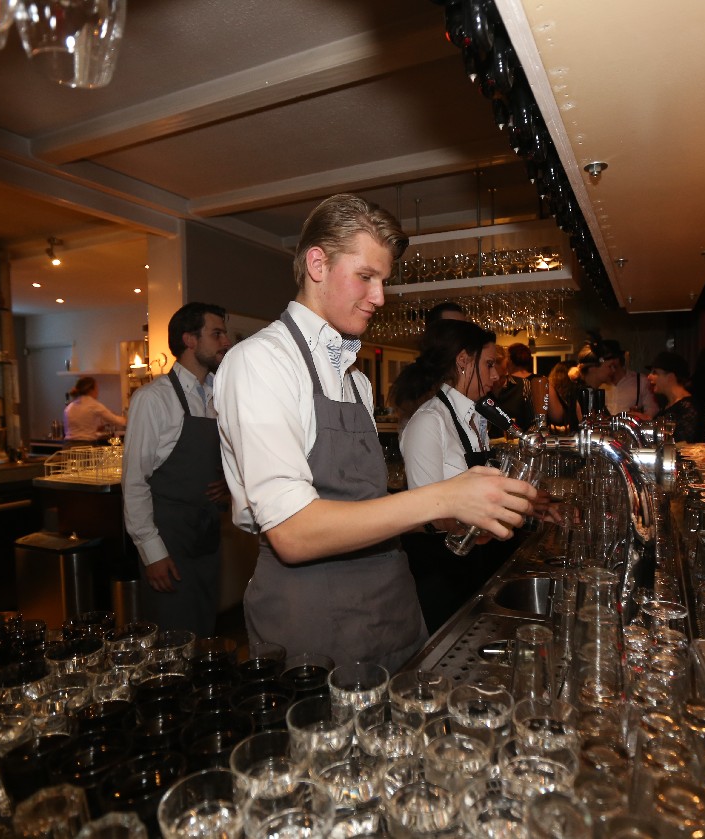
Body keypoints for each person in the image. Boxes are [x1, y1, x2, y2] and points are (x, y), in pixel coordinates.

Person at [214, 194, 536, 672]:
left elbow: (362, 504)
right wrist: (444, 497)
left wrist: (445, 519)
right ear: (317, 264)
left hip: (392, 609)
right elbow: (292, 532)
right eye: (366, 277)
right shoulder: (261, 362)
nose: (380, 297)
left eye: (383, 281)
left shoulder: (355, 379)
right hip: (315, 622)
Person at [121, 303, 233, 636]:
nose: (226, 342)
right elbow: (135, 482)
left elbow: (227, 456)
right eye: (217, 333)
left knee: (205, 634)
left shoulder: (219, 395)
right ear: (189, 340)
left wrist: (229, 483)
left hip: (208, 539)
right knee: (172, 642)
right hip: (169, 543)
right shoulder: (153, 399)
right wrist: (152, 553)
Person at [396, 319, 511, 631]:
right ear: (463, 361)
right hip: (441, 572)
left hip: (475, 563)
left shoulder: (476, 419)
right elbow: (423, 512)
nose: (495, 375)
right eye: (489, 364)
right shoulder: (429, 421)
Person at [577, 338, 658, 420]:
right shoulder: (583, 395)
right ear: (593, 368)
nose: (613, 370)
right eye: (609, 366)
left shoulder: (591, 393)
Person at [645, 351, 703, 442]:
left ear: (670, 377)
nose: (649, 376)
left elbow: (683, 442)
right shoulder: (668, 404)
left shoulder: (688, 406)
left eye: (655, 372)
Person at [62, 376, 126, 444]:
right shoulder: (93, 404)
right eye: (96, 388)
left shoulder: (69, 407)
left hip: (68, 445)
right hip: (85, 446)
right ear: (91, 390)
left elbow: (80, 427)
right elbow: (115, 420)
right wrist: (128, 420)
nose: (97, 392)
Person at [491, 341, 538, 432]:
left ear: (508, 368)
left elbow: (534, 423)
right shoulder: (479, 390)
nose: (498, 382)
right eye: (492, 377)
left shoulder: (523, 385)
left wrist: (524, 438)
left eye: (502, 376)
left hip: (519, 440)